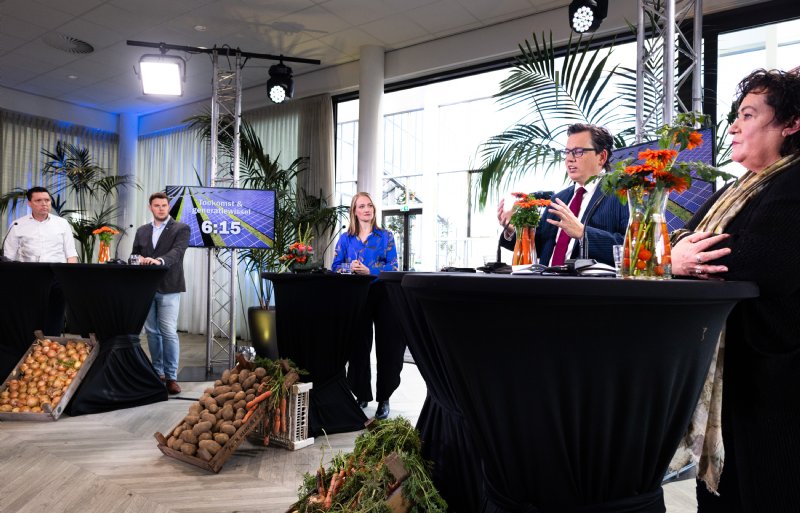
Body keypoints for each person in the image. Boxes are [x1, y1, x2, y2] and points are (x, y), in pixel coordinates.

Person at [668, 68, 800, 512]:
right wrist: (677, 257)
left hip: (773, 382)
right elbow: (676, 243)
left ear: (790, 124)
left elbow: (749, 266)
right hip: (730, 375)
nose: (733, 126)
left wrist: (685, 259)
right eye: (735, 116)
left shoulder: (793, 183)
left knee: (769, 489)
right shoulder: (733, 189)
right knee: (723, 491)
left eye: (748, 114)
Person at [497, 123, 628, 266]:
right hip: (547, 282)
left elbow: (631, 249)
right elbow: (540, 246)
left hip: (588, 286)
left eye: (578, 152)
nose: (569, 159)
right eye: (567, 152)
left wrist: (582, 233)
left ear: (602, 157)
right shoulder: (559, 199)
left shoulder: (622, 194)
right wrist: (513, 227)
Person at [331, 192, 400, 420]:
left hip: (383, 295)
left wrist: (371, 271)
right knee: (359, 347)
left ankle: (384, 398)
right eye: (362, 206)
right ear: (355, 211)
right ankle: (361, 394)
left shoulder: (385, 236)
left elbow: (394, 267)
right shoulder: (345, 239)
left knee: (387, 347)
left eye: (370, 205)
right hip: (357, 296)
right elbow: (335, 267)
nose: (367, 209)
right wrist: (351, 269)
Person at [131, 192, 190, 395]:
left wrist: (159, 261)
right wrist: (139, 260)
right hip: (146, 288)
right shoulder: (142, 231)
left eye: (164, 205)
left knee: (168, 331)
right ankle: (158, 373)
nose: (161, 208)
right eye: (157, 206)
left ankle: (172, 377)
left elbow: (177, 252)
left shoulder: (181, 228)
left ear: (168, 207)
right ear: (151, 208)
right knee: (152, 333)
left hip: (169, 286)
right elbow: (134, 254)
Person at [3, 186, 79, 335]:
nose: (44, 203)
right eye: (38, 200)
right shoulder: (18, 225)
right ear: (29, 204)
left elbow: (70, 253)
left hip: (57, 275)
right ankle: (29, 349)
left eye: (47, 200)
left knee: (55, 316)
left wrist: (71, 279)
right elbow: (8, 257)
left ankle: (52, 346)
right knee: (31, 316)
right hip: (29, 276)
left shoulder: (62, 224)